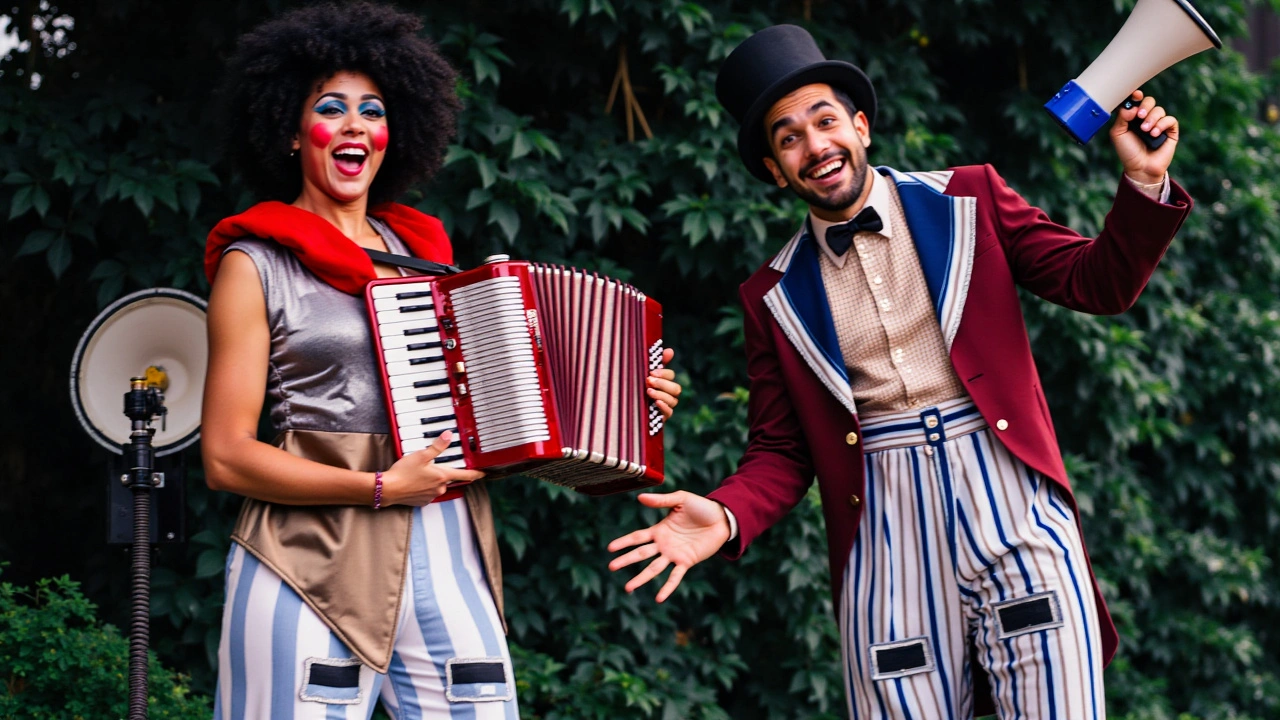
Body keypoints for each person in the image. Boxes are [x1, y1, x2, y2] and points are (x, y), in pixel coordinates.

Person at [608, 24, 1191, 719]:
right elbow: (782, 451)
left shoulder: (971, 199)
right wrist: (728, 514)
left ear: (860, 125)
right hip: (882, 530)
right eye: (788, 137)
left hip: (1011, 502)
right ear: (773, 168)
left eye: (825, 121)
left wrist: (1144, 180)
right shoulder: (770, 295)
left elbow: (1098, 283)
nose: (816, 146)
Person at [200, 4, 681, 718]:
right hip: (308, 559)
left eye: (374, 109)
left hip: (450, 540)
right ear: (290, 130)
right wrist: (380, 487)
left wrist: (622, 397)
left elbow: (512, 418)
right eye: (332, 107)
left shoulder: (431, 264)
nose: (357, 124)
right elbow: (226, 457)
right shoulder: (254, 263)